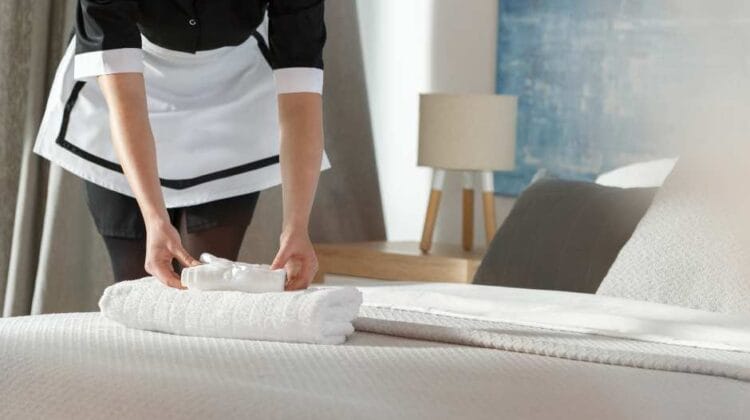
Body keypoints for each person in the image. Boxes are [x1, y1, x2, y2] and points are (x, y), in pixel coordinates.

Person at [33, 0, 328, 290]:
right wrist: (155, 218)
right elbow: (127, 104)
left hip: (231, 89)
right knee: (138, 284)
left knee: (209, 287)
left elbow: (300, 97)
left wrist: (297, 227)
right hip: (132, 78)